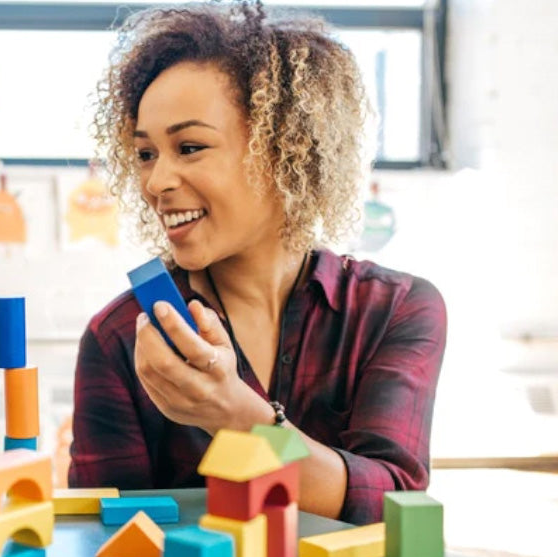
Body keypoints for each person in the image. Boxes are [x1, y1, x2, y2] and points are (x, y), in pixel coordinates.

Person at [69, 0, 447, 525]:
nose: (155, 184)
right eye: (146, 154)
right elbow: (104, 538)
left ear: (285, 150)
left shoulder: (395, 311)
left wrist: (235, 414)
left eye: (191, 146)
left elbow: (392, 506)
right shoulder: (119, 340)